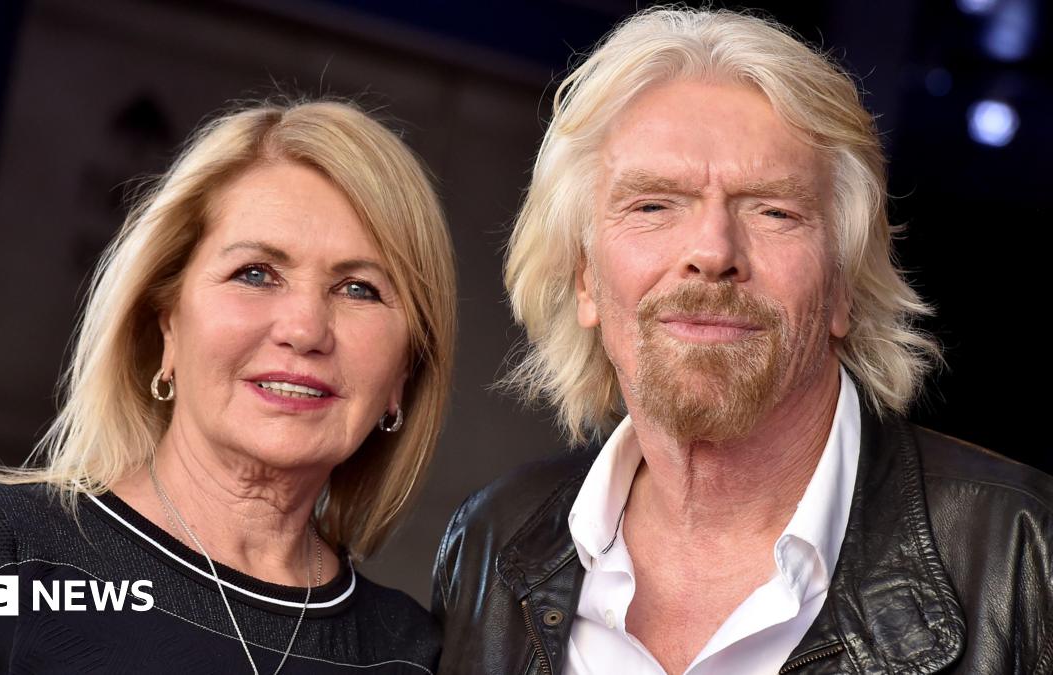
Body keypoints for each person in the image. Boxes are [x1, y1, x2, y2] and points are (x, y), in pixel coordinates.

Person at [432, 8, 1053, 675]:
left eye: (772, 210)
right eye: (652, 205)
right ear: (584, 278)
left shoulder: (1029, 556)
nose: (712, 251)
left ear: (845, 284)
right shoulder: (489, 543)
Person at [0, 100, 456, 674]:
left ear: (404, 372)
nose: (304, 329)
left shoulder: (408, 653)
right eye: (255, 274)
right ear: (167, 323)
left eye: (359, 289)